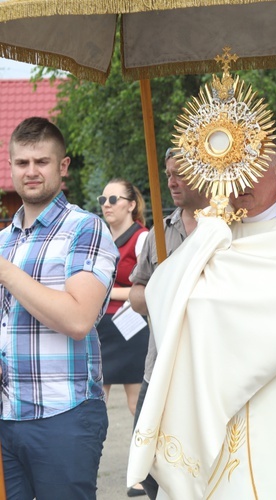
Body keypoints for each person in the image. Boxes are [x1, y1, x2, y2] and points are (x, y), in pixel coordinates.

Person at [127, 141, 276, 499]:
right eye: (234, 171)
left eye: (253, 170)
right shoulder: (218, 225)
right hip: (220, 393)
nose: (241, 182)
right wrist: (209, 240)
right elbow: (163, 293)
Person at [0, 117, 118, 499]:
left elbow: (78, 319)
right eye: (22, 163)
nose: (31, 172)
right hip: (6, 413)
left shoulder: (86, 228)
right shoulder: (3, 240)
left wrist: (5, 271)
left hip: (63, 414)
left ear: (63, 166)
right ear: (11, 166)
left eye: (42, 162)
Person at [128, 147, 209, 499]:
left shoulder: (226, 229)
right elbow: (136, 293)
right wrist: (163, 290)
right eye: (168, 175)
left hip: (208, 366)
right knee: (147, 465)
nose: (172, 182)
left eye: (180, 173)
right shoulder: (160, 233)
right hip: (158, 365)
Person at [97, 179, 149, 417]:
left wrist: (104, 293)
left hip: (133, 326)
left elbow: (150, 289)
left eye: (113, 199)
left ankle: (146, 455)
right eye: (103, 200)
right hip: (101, 327)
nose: (106, 205)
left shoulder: (142, 238)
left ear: (130, 205)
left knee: (136, 403)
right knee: (96, 402)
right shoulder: (99, 238)